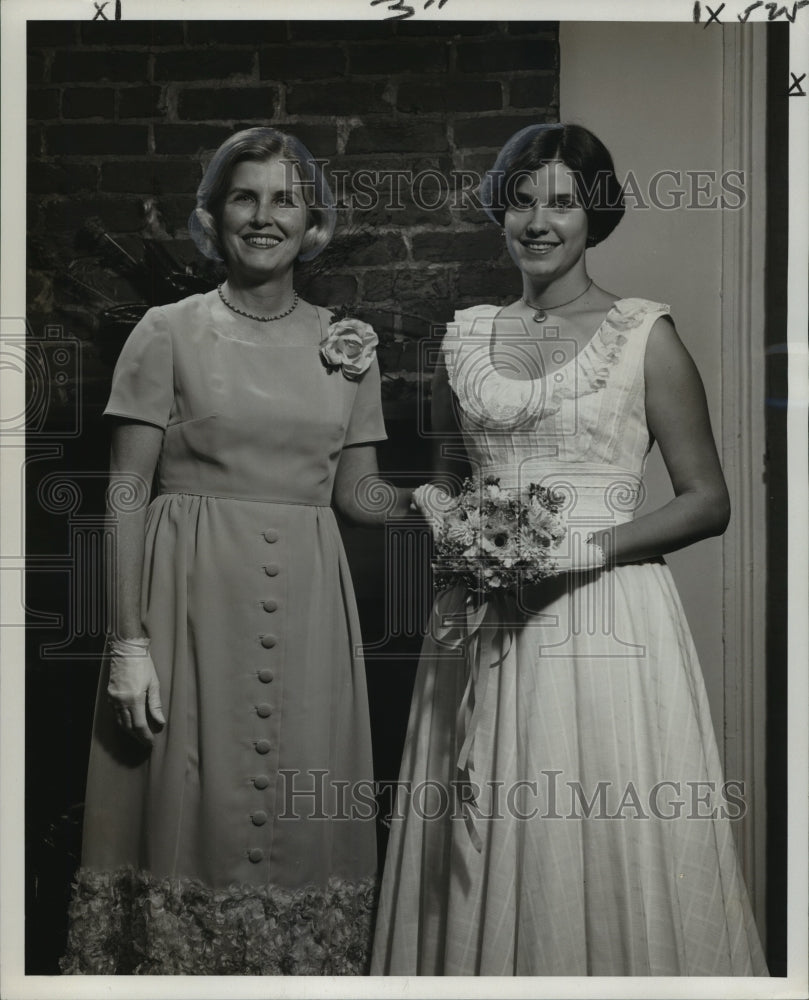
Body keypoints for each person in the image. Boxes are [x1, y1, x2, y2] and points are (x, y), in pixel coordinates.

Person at [371, 123, 768, 976]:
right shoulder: (469, 337)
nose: (538, 222)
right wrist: (448, 515)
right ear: (500, 216)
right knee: (478, 828)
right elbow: (454, 482)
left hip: (604, 616)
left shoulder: (642, 335)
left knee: (592, 822)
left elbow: (708, 502)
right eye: (520, 202)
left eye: (561, 202)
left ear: (596, 214)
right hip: (477, 621)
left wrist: (575, 553)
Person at [61, 127, 409, 975]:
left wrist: (458, 502)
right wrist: (129, 643)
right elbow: (126, 491)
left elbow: (358, 497)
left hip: (309, 619)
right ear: (213, 218)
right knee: (188, 817)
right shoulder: (166, 331)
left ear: (311, 221)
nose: (264, 216)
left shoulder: (347, 344)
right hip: (186, 609)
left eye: (283, 198)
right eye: (243, 197)